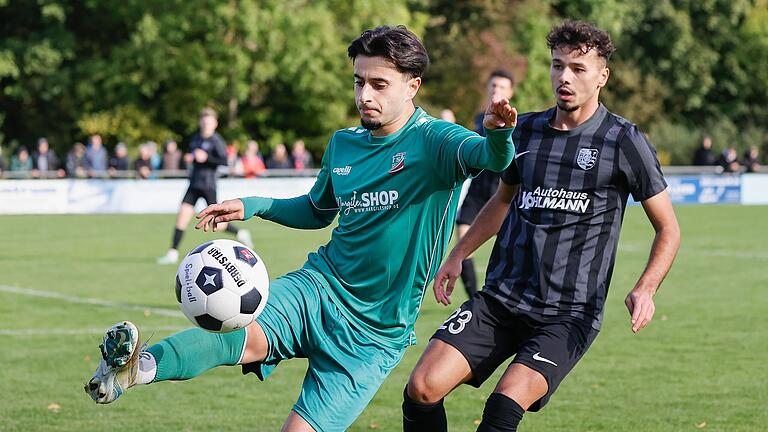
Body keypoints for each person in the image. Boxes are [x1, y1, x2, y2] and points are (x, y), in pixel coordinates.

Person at [85, 25, 517, 432]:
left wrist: (498, 134)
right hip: (319, 287)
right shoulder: (343, 144)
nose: (364, 94)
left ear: (413, 85)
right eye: (358, 81)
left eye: (379, 84)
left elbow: (492, 160)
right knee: (242, 338)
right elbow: (316, 210)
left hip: (374, 335)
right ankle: (136, 369)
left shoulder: (437, 141)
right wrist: (250, 205)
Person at [402, 21, 681, 432]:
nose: (564, 77)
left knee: (501, 408)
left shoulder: (624, 141)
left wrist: (646, 287)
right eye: (557, 65)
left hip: (567, 314)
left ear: (602, 76)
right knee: (421, 387)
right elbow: (502, 200)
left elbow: (668, 228)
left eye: (578, 68)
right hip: (500, 299)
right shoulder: (526, 129)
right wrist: (458, 255)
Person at [156, 108, 252, 264]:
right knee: (182, 217)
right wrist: (190, 158)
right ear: (200, 122)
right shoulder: (195, 139)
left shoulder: (217, 141)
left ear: (215, 124)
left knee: (218, 224)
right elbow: (195, 159)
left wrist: (206, 157)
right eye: (204, 121)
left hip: (208, 185)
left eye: (209, 122)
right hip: (194, 184)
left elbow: (223, 161)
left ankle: (241, 233)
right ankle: (172, 253)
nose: (206, 124)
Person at [455, 69, 515, 297]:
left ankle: (507, 295)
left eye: (501, 86)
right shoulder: (480, 119)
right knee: (462, 241)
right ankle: (473, 298)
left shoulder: (515, 119)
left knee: (510, 250)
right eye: (493, 86)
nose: (496, 90)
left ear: (510, 91)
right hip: (477, 191)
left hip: (503, 191)